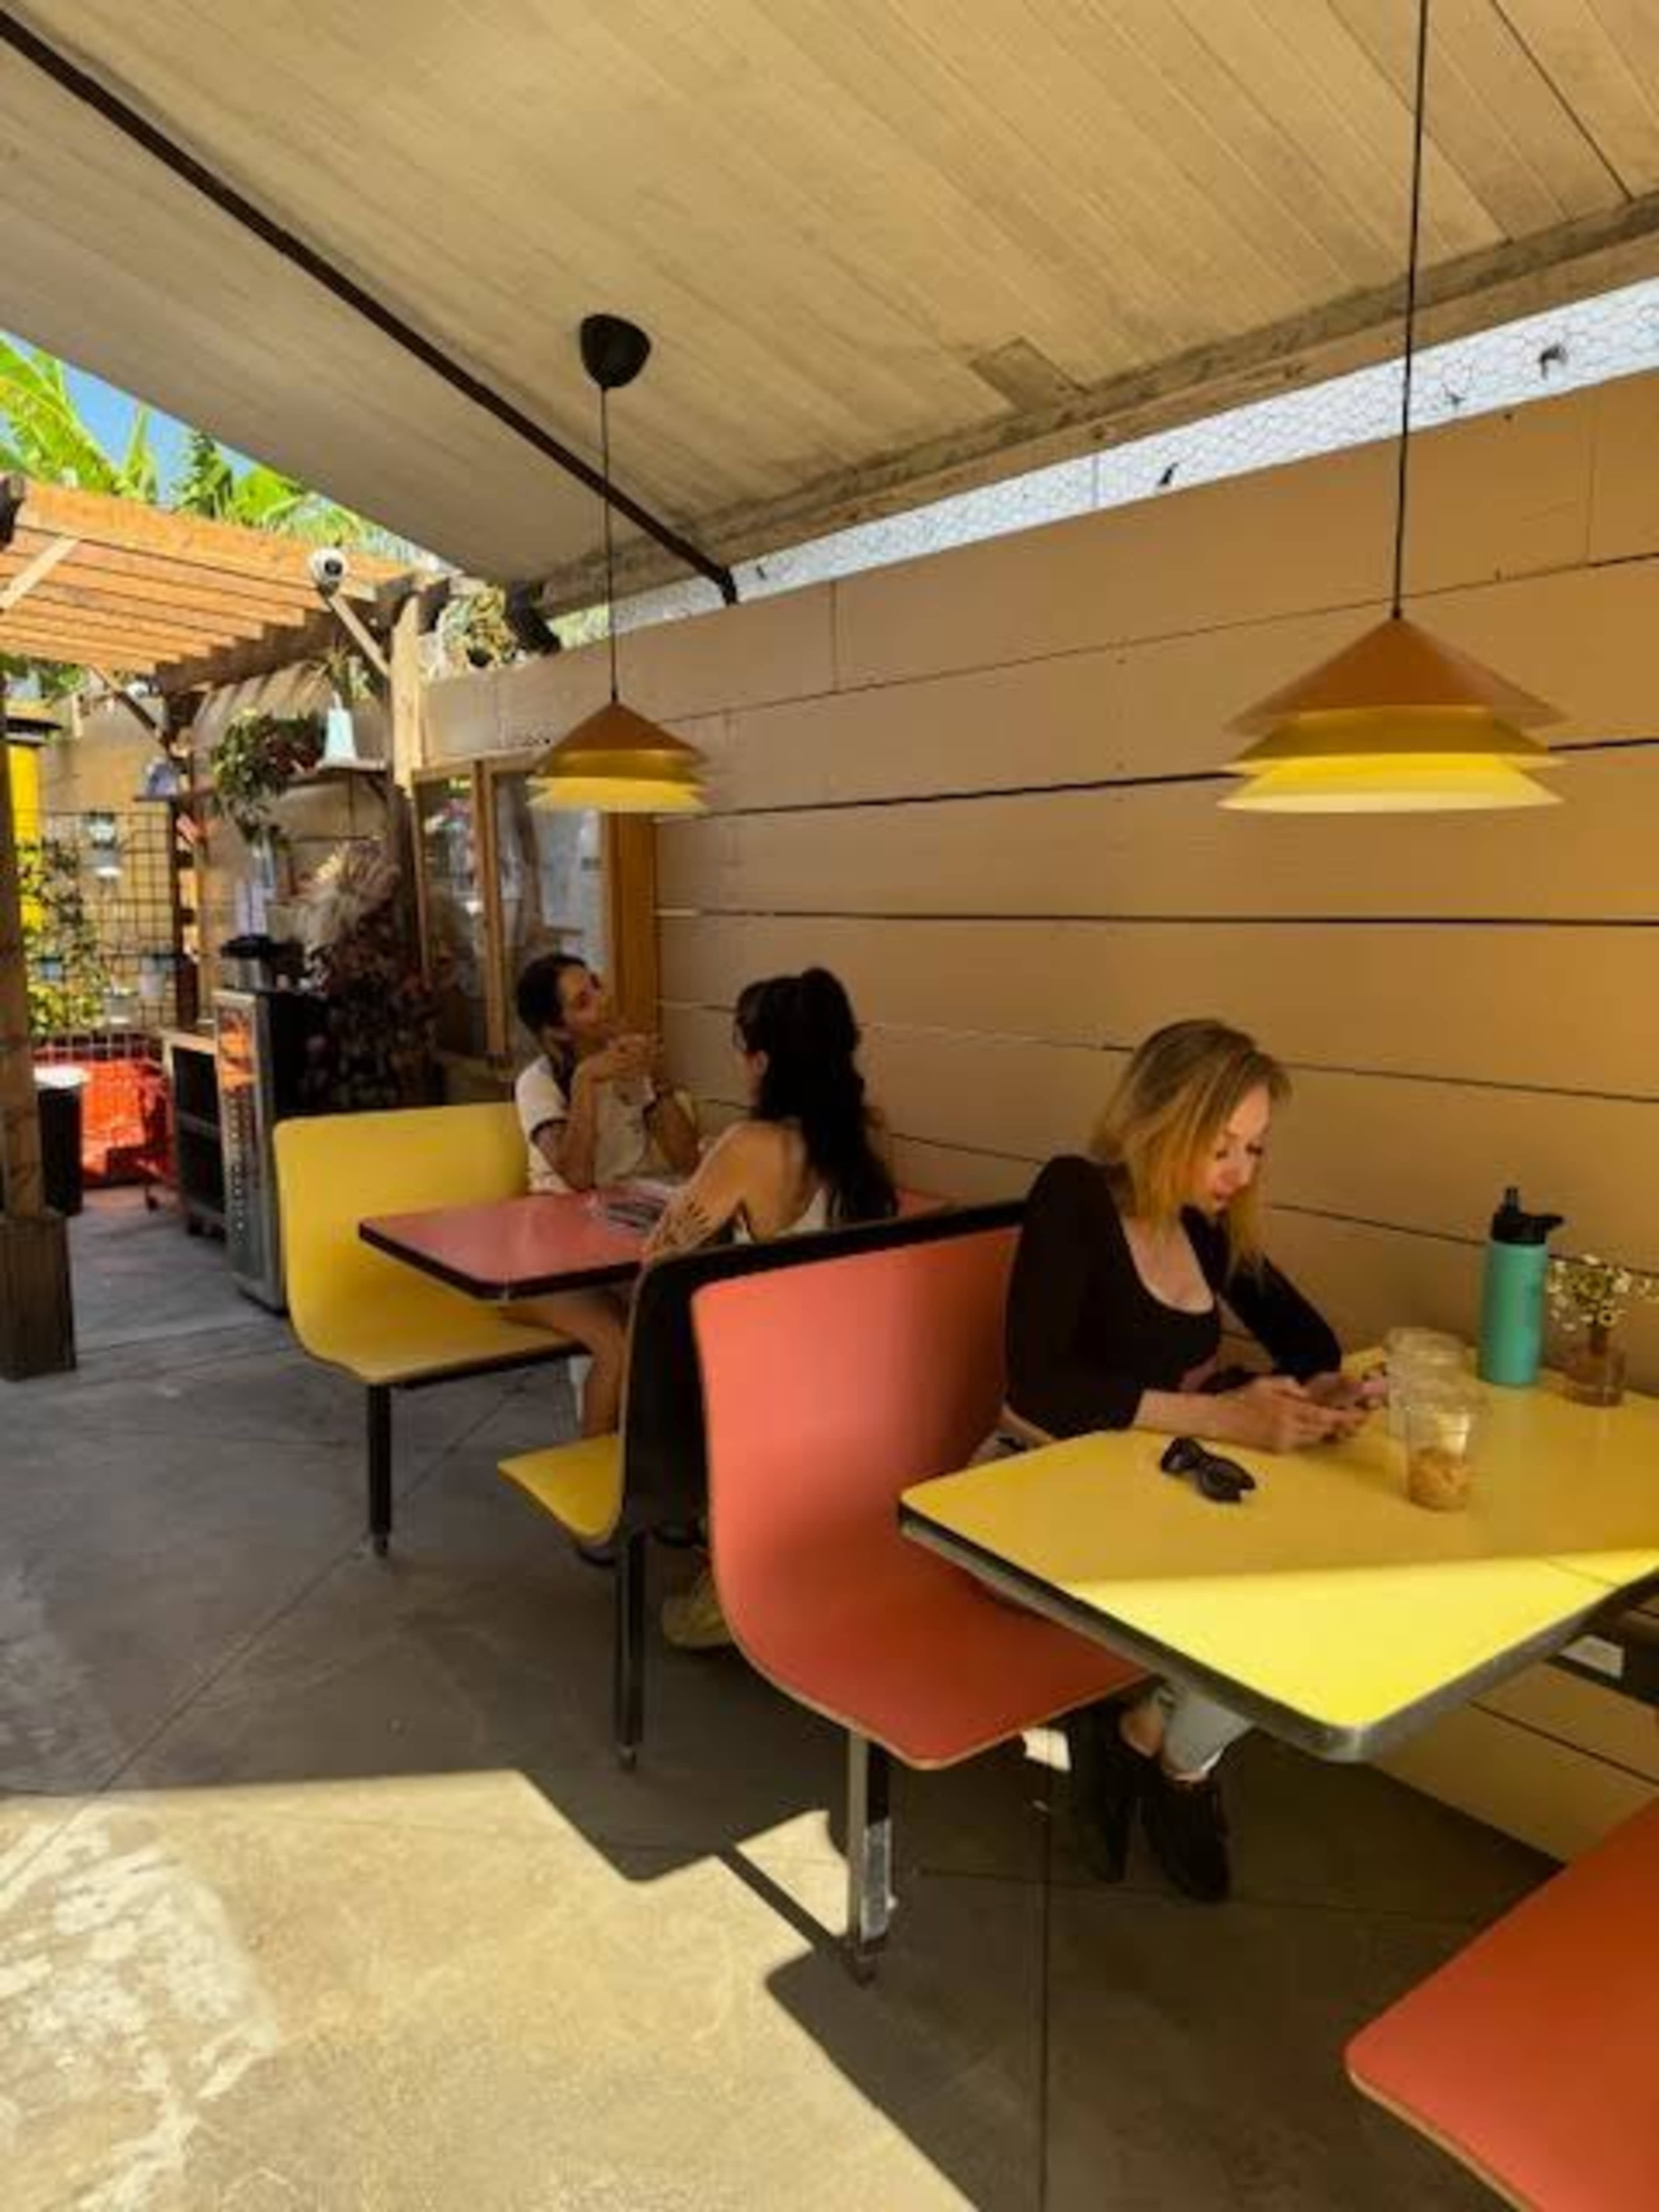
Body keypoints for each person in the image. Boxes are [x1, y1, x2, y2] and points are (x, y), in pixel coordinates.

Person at [1003, 1017, 1377, 1904]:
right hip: (1035, 1485)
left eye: (1255, 1148)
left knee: (1330, 1573)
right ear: (1161, 1119)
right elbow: (1041, 1384)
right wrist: (1224, 1415)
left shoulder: (1201, 1226)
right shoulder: (1074, 1195)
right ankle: (1177, 1760)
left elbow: (1307, 1336)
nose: (1241, 1171)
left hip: (1154, 1481)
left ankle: (1156, 1741)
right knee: (1274, 1595)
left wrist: (1323, 1388)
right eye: (1222, 1146)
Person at [645, 966, 897, 1647]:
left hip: (766, 1392)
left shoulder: (752, 1147)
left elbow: (658, 1264)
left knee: (649, 1345)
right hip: (854, 1379)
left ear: (761, 1061)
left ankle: (727, 1575)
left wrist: (674, 1229)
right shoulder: (868, 1141)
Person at [512, 953, 698, 1438]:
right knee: (618, 1346)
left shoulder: (627, 1066)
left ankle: (658, 1456)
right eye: (583, 1001)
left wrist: (656, 1077)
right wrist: (584, 1080)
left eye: (596, 984)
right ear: (558, 1030)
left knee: (678, 1319)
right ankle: (599, 1473)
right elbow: (577, 1177)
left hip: (617, 1236)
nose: (604, 999)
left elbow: (687, 1159)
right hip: (551, 1255)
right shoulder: (538, 1083)